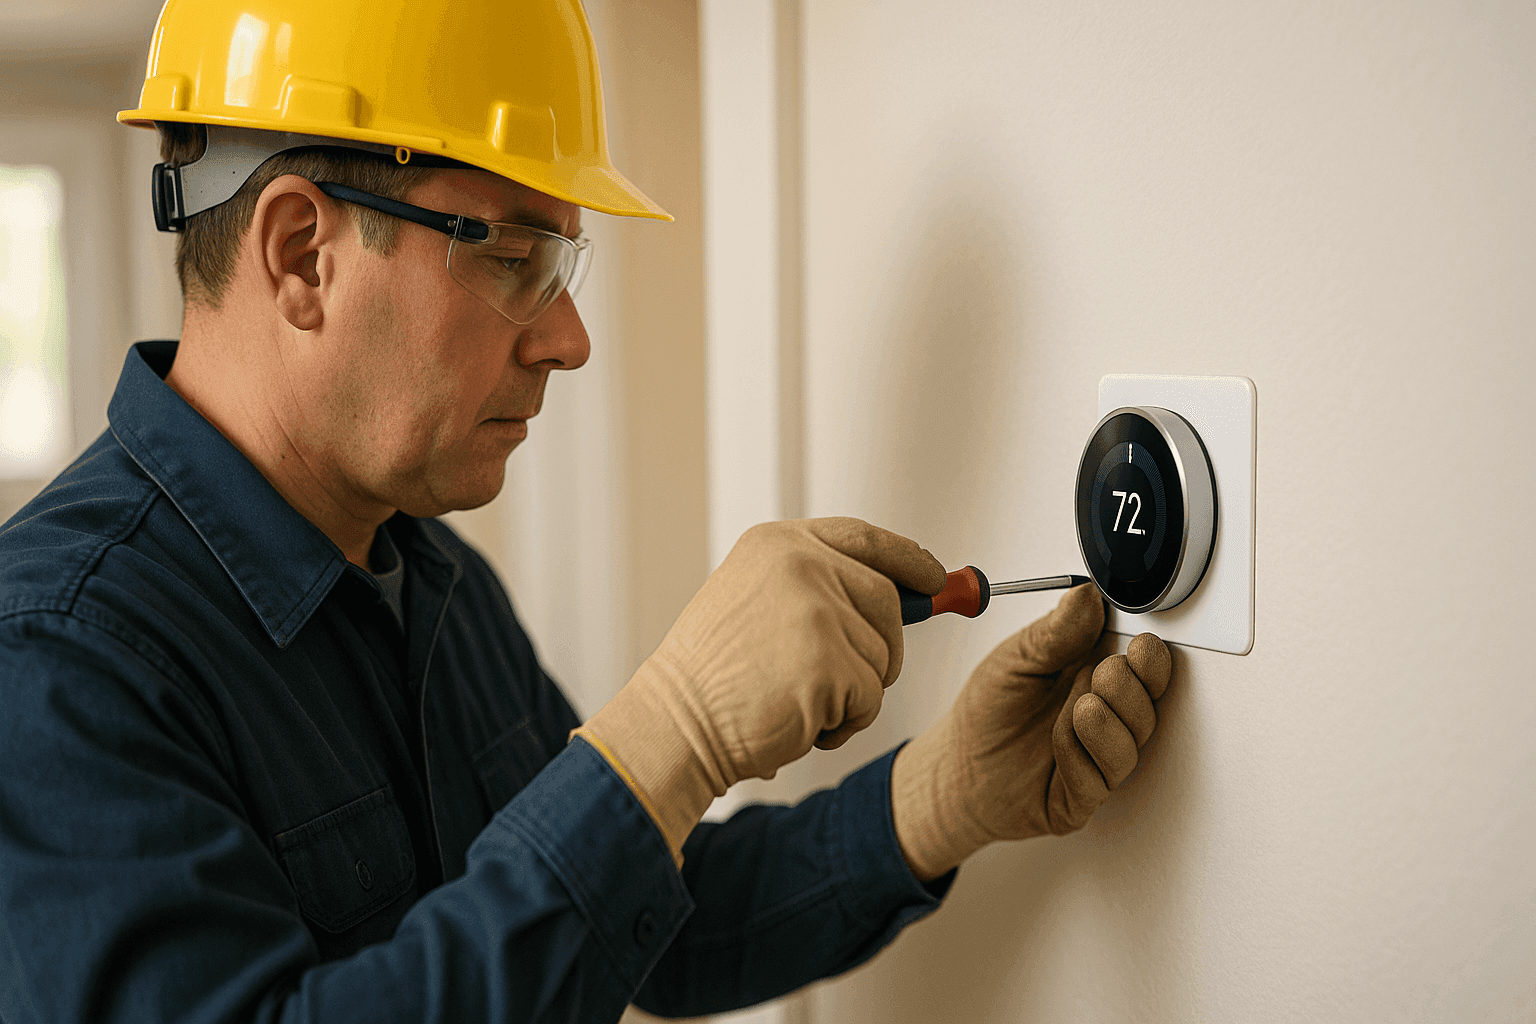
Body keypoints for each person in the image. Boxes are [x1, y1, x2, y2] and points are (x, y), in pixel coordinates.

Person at [0, 1, 1174, 1021]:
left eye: (563, 265)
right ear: (304, 253)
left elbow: (647, 917)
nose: (569, 339)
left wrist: (933, 803)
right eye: (515, 257)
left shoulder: (427, 580)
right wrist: (668, 735)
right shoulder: (55, 659)